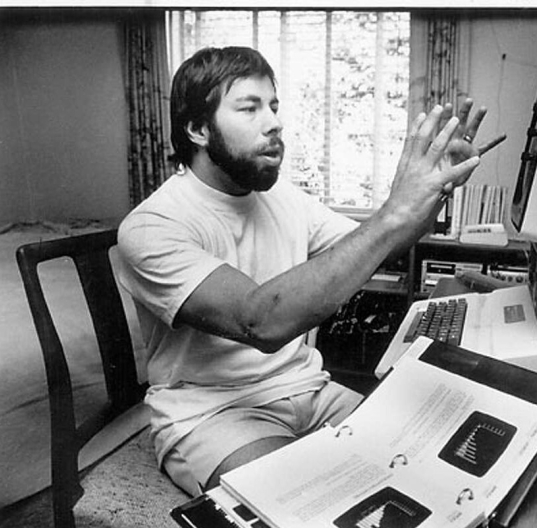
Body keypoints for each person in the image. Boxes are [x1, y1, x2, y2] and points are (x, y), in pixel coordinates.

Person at [116, 46, 503, 497]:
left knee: (434, 461)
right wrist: (394, 210)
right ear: (198, 129)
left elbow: (379, 247)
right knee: (314, 497)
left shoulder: (282, 197)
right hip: (213, 412)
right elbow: (260, 322)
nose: (274, 122)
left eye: (273, 106)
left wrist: (432, 189)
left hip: (311, 389)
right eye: (250, 108)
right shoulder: (152, 225)